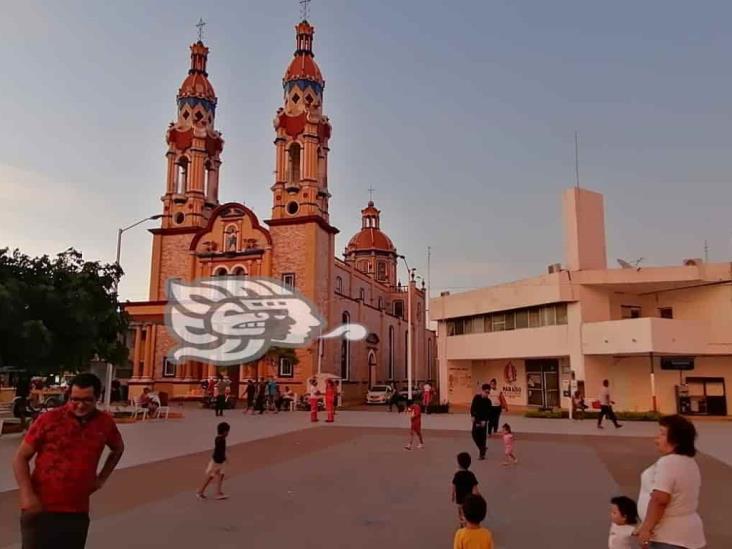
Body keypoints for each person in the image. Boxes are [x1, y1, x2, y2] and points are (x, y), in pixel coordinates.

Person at [13, 373, 124, 549]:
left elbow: (118, 448)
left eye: (87, 400)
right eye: (75, 399)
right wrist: (27, 495)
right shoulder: (49, 420)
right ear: (68, 396)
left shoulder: (105, 423)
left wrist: (101, 479)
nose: (80, 405)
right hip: (41, 508)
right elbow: (20, 457)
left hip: (76, 511)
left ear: (98, 397)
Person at [636, 415, 705, 549]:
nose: (656, 439)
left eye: (662, 434)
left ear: (676, 441)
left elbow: (660, 499)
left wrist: (646, 528)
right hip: (688, 535)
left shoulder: (669, 463)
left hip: (669, 537)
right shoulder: (689, 462)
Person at [196, 422, 230, 501]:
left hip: (220, 461)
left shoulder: (221, 438)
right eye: (227, 431)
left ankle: (218, 492)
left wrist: (224, 459)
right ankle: (200, 492)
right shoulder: (220, 440)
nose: (228, 433)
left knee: (221, 475)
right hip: (217, 461)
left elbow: (221, 451)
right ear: (224, 432)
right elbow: (219, 452)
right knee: (211, 476)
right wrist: (221, 461)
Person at [452, 452, 479, 527]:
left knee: (460, 510)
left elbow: (454, 485)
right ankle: (468, 523)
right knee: (468, 510)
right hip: (469, 498)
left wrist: (453, 495)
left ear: (459, 464)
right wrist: (477, 496)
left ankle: (461, 523)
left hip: (460, 498)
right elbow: (475, 487)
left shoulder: (457, 475)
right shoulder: (471, 475)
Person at [470, 384, 492, 460]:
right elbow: (472, 408)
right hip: (476, 419)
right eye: (486, 392)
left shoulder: (488, 402)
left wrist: (485, 421)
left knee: (482, 438)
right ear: (482, 391)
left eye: (488, 392)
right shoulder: (476, 398)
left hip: (483, 421)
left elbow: (489, 413)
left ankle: (482, 454)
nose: (487, 394)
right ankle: (482, 448)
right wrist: (472, 416)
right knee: (474, 435)